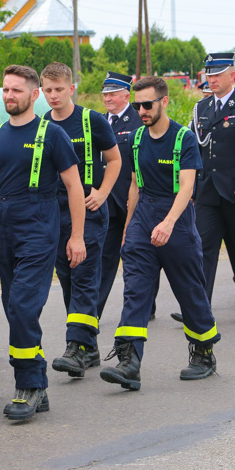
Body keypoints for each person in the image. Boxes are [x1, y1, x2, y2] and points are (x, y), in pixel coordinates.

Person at [0, 65, 85, 419]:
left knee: (24, 308)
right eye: (6, 90)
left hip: (40, 225)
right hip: (6, 230)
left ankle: (27, 386)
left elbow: (74, 187)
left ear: (34, 95)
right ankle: (37, 384)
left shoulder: (51, 134)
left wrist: (76, 236)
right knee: (15, 308)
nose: (10, 96)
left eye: (17, 90)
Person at [100, 76, 220, 390]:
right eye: (137, 104)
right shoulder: (136, 139)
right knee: (135, 291)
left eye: (147, 104)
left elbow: (188, 187)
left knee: (190, 291)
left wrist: (167, 223)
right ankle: (129, 363)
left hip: (176, 220)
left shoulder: (184, 138)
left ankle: (204, 354)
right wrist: (129, 228)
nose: (141, 110)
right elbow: (135, 185)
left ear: (163, 101)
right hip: (143, 217)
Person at [43, 62, 121, 378]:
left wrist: (102, 193)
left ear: (71, 89)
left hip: (89, 213)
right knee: (68, 280)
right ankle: (89, 348)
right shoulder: (41, 124)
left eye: (59, 89)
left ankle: (75, 347)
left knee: (85, 276)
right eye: (47, 90)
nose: (53, 96)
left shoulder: (92, 121)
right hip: (55, 214)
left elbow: (115, 160)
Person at [187, 52, 235, 323]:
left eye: (217, 74)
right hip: (208, 192)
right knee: (203, 250)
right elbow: (196, 150)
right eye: (209, 75)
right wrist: (192, 189)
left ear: (232, 76)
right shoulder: (202, 108)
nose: (212, 79)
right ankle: (199, 307)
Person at [97, 71, 158, 320]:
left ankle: (145, 305)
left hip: (134, 198)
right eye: (105, 94)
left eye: (112, 93)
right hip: (106, 201)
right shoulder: (99, 121)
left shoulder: (139, 120)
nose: (108, 98)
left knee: (139, 255)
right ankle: (94, 310)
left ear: (126, 94)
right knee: (104, 257)